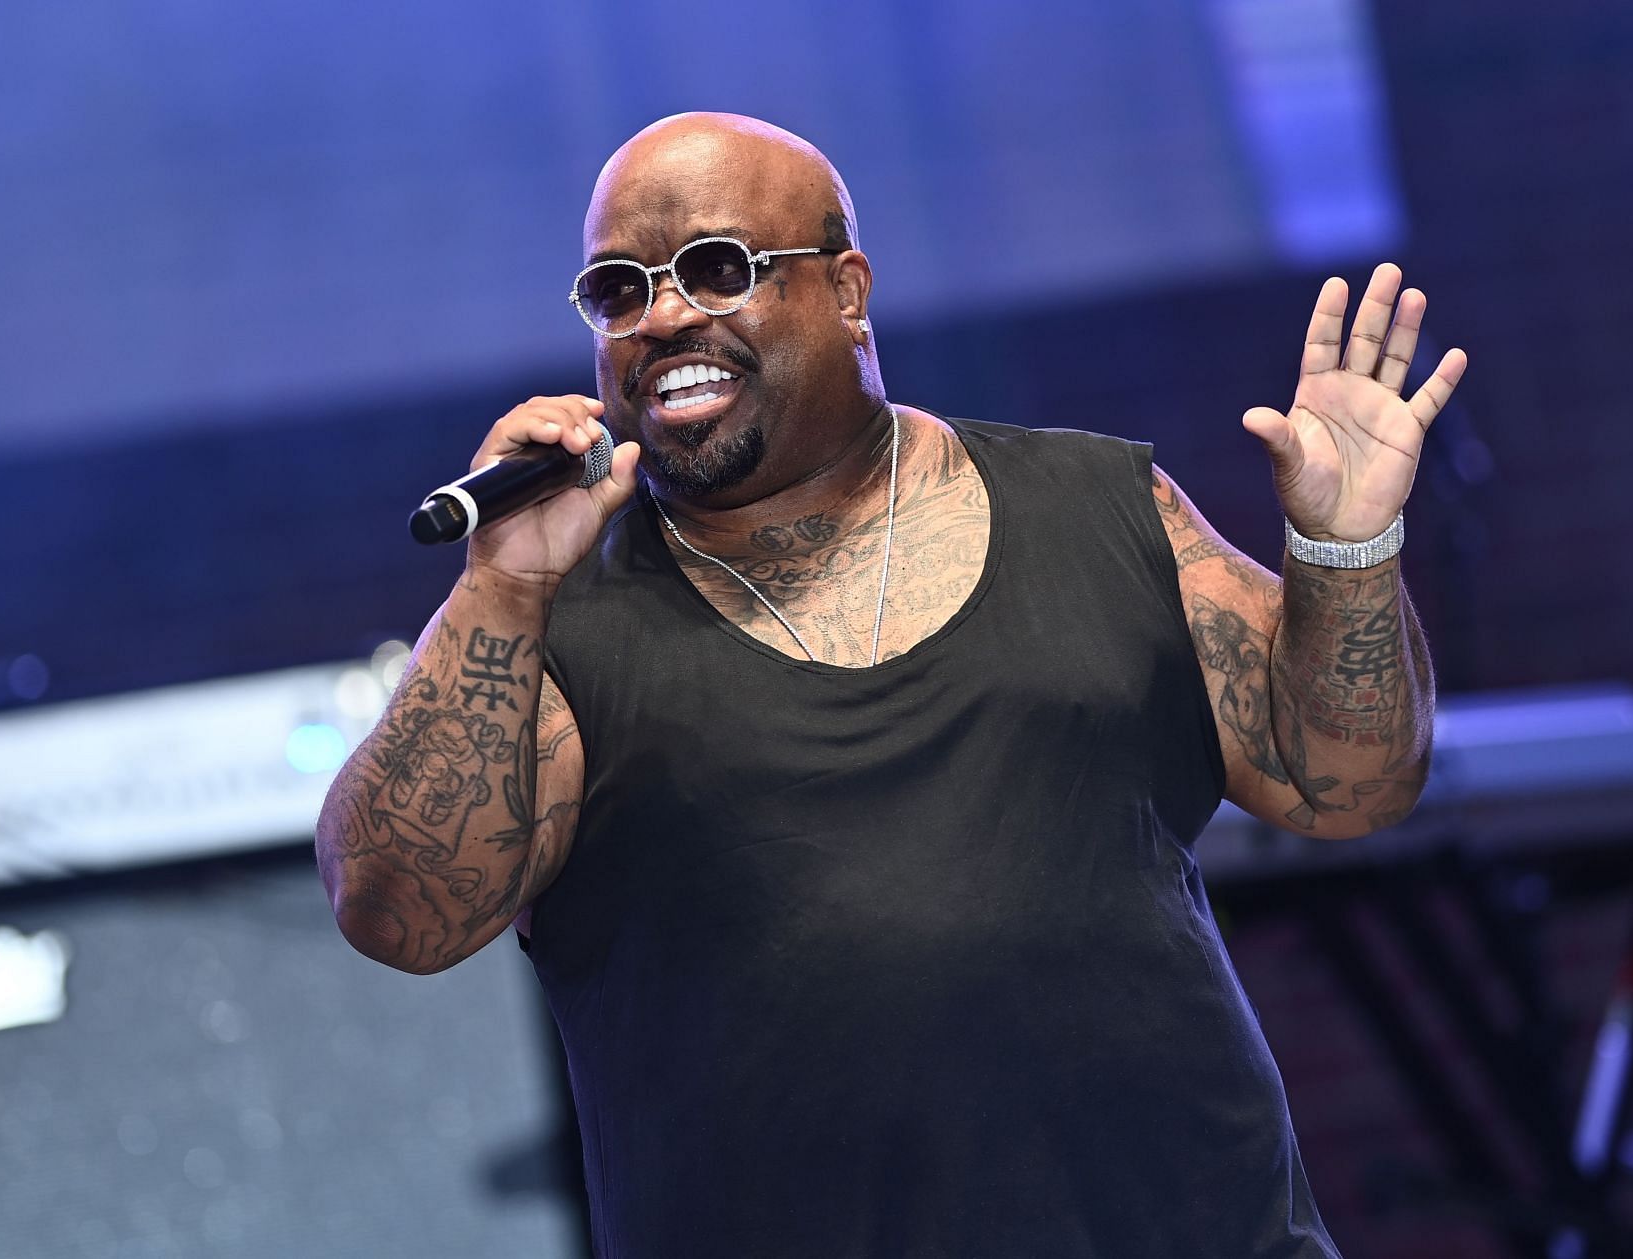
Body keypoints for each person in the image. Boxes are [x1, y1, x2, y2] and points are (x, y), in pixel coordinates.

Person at [316, 112, 1466, 1258]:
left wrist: (1346, 549)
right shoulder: (559, 619)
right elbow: (398, 911)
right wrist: (504, 588)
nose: (664, 316)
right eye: (619, 291)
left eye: (718, 270)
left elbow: (1347, 784)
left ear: (848, 290)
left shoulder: (1094, 506)